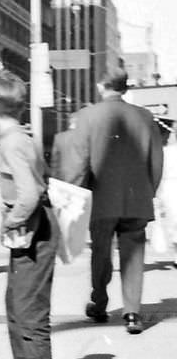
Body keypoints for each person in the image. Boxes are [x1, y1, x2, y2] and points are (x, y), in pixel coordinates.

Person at [65, 67, 164, 335]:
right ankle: (132, 313)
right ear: (126, 87)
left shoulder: (87, 116)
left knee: (100, 253)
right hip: (136, 197)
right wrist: (149, 190)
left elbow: (79, 162)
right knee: (134, 255)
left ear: (100, 86)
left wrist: (73, 194)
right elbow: (156, 161)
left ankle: (99, 303)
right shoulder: (145, 117)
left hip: (101, 197)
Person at [0, 71, 59, 359]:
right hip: (31, 229)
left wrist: (8, 223)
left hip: (32, 229)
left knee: (29, 306)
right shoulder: (19, 137)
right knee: (16, 302)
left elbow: (29, 194)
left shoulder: (13, 142)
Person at [157, 127, 177, 267]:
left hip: (170, 189)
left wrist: (158, 194)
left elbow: (160, 174)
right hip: (170, 186)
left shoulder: (166, 152)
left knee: (174, 222)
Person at [49, 114, 77, 180]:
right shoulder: (84, 137)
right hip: (81, 180)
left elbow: (54, 162)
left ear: (69, 122)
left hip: (62, 178)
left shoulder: (59, 137)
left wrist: (54, 178)